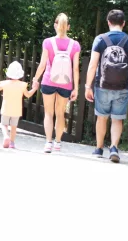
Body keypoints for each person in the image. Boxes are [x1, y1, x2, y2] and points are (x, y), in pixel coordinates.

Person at [85, 9, 128, 163]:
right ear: (123, 23)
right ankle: (114, 147)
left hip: (102, 85)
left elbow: (92, 65)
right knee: (117, 119)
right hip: (123, 87)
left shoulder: (100, 39)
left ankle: (98, 148)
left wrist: (87, 86)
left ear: (108, 22)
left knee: (102, 117)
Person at [32, 13, 80, 153]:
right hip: (66, 84)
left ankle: (48, 143)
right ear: (68, 27)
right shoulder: (75, 45)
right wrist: (75, 88)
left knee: (48, 113)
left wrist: (35, 78)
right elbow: (75, 68)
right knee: (60, 113)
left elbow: (42, 64)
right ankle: (58, 143)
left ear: (55, 25)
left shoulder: (48, 42)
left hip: (49, 80)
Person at [0, 61, 38, 149]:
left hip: (6, 108)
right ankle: (12, 142)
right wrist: (35, 88)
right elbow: (28, 95)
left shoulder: (5, 83)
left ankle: (6, 136)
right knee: (14, 127)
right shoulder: (22, 85)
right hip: (17, 109)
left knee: (4, 124)